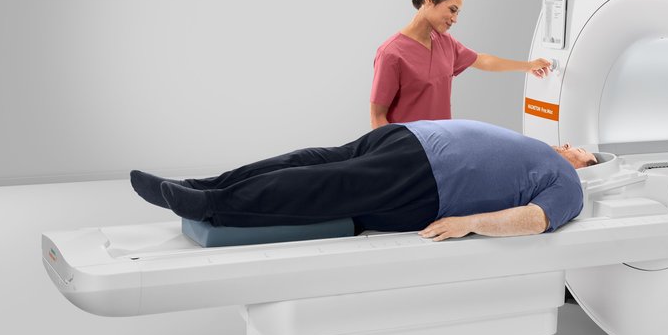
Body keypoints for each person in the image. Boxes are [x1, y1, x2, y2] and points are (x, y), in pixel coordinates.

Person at [131, 120, 597, 241]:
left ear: (587, 166)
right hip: (407, 140)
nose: (569, 145)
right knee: (304, 159)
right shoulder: (537, 148)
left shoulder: (567, 184)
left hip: (427, 179)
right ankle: (198, 185)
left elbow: (535, 220)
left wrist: (470, 223)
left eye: (580, 150)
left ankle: (211, 207)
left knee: (322, 184)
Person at [370, 0, 553, 129]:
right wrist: (395, 152)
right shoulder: (391, 53)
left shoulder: (446, 43)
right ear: (429, 0)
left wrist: (528, 66)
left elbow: (483, 61)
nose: (455, 19)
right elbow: (377, 117)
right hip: (407, 149)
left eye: (458, 12)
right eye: (452, 10)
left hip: (443, 145)